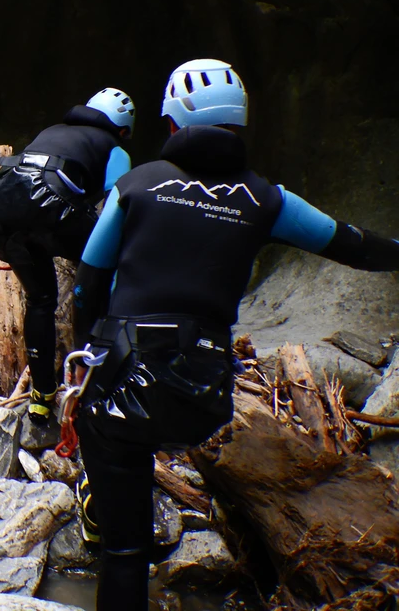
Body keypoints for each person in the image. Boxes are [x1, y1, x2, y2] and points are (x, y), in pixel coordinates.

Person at [69, 59, 399, 611]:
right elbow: (353, 245)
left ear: (172, 124)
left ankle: (118, 535)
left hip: (123, 384)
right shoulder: (268, 200)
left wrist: (85, 356)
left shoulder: (135, 185)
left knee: (123, 547)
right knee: (166, 428)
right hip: (202, 393)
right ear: (238, 126)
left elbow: (88, 285)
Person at [0, 88, 135, 421]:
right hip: (50, 207)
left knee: (40, 301)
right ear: (122, 129)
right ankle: (95, 378)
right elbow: (119, 203)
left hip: (2, 211)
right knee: (103, 276)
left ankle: (41, 396)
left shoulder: (52, 131)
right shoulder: (114, 148)